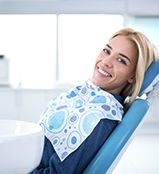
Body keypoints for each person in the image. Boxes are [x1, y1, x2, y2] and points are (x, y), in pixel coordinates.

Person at [30, 28, 159, 174]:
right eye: (107, 51)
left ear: (133, 76)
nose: (106, 62)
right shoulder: (84, 96)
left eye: (121, 60)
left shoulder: (99, 119)